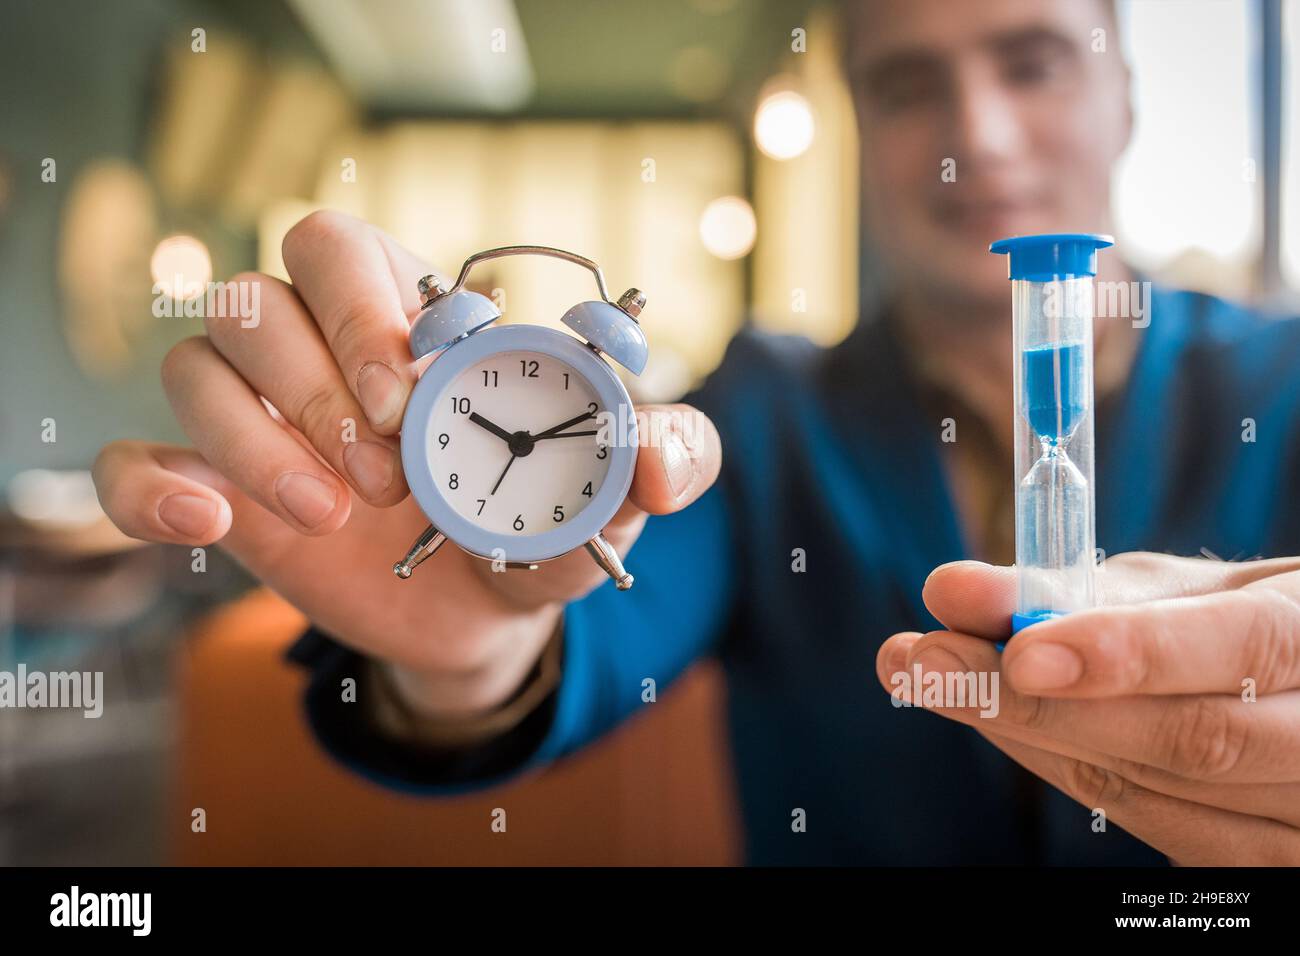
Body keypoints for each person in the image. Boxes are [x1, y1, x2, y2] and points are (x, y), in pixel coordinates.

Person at [92, 0, 1300, 864]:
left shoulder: (1282, 379)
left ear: (1124, 95)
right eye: (906, 82)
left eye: (1031, 63)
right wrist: (464, 649)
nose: (972, 134)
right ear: (857, 122)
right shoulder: (764, 413)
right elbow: (604, 617)